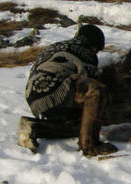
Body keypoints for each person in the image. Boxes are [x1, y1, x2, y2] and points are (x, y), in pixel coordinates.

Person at [17, 24, 117, 157]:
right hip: (56, 90)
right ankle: (90, 145)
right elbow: (90, 80)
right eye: (97, 49)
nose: (96, 53)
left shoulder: (56, 46)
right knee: (97, 90)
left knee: (79, 126)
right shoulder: (85, 52)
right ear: (94, 44)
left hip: (34, 95)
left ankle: (34, 128)